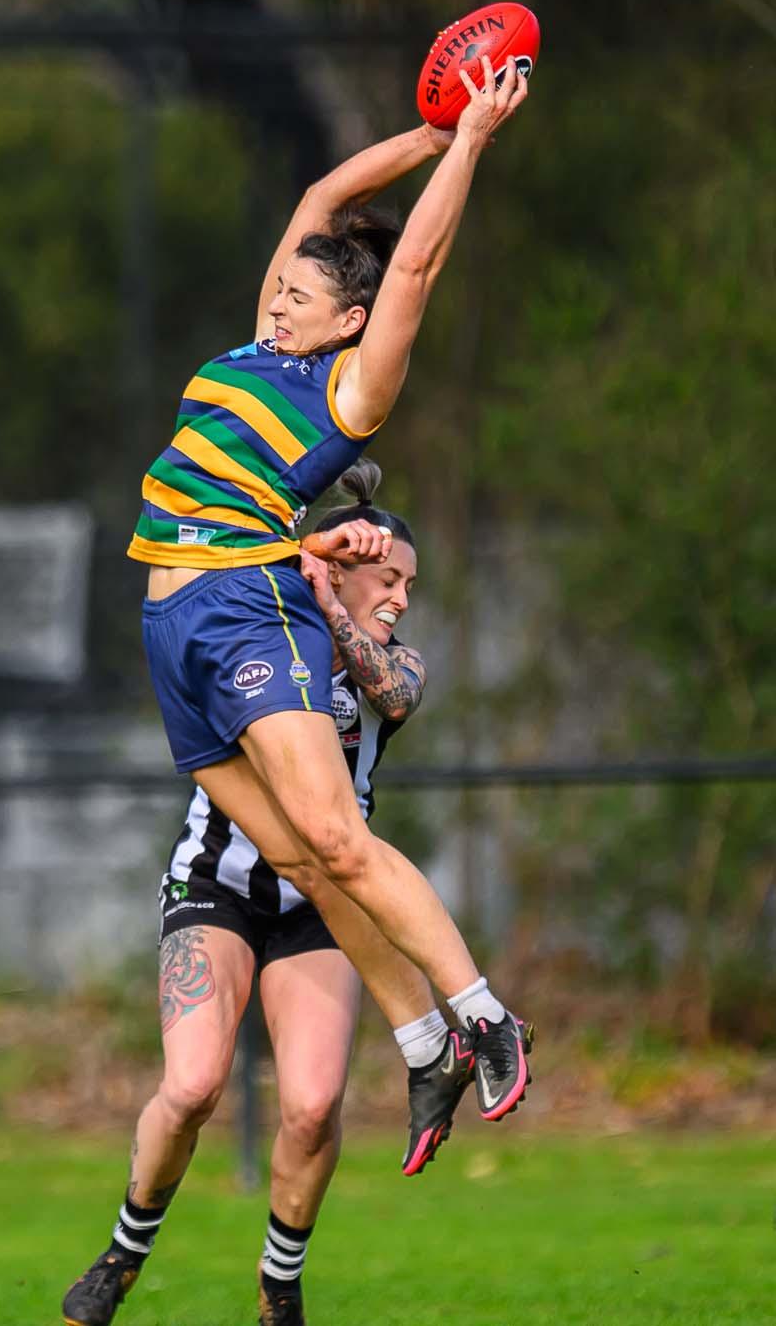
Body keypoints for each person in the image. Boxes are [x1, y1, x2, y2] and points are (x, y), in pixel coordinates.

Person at [131, 56, 530, 1151]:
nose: (278, 298)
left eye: (300, 297)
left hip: (245, 605)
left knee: (333, 839)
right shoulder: (254, 350)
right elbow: (321, 200)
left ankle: (485, 1016)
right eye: (278, 288)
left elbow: (415, 270)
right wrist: (429, 133)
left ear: (349, 320)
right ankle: (425, 1046)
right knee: (299, 857)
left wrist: (472, 147)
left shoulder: (347, 389)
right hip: (170, 625)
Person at [62, 463, 477, 1326]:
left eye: (409, 585)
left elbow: (395, 691)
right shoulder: (247, 627)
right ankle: (123, 1253)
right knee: (192, 1088)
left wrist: (331, 602)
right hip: (216, 885)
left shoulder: (390, 664)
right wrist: (304, 557)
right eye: (386, 578)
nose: (400, 598)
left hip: (321, 909)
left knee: (313, 1106)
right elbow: (214, 560)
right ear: (337, 565)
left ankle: (278, 1286)